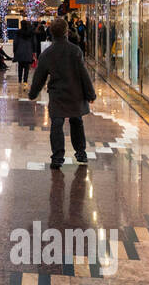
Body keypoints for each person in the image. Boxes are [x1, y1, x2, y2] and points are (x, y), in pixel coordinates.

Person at [28, 17, 97, 170]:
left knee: (57, 124)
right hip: (75, 93)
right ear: (66, 32)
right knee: (76, 121)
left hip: (58, 95)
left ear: (51, 32)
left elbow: (39, 77)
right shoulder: (75, 50)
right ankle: (81, 153)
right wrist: (90, 94)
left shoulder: (47, 54)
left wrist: (33, 93)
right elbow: (83, 74)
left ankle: (57, 157)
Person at [14, 20, 36, 85]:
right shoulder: (31, 32)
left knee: (20, 66)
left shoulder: (18, 32)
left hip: (20, 50)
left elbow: (15, 42)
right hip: (28, 50)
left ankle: (20, 80)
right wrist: (34, 51)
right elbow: (34, 42)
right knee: (26, 67)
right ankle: (25, 81)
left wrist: (15, 50)